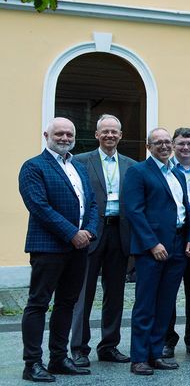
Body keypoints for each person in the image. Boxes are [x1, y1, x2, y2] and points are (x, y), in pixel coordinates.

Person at [19, 117, 98, 382]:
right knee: (38, 303)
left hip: (79, 248)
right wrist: (71, 233)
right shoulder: (33, 166)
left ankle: (58, 358)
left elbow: (93, 203)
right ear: (46, 135)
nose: (65, 138)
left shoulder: (78, 167)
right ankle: (32, 363)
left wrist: (89, 231)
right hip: (48, 247)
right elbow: (39, 206)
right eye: (59, 134)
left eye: (69, 134)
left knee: (67, 303)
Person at [123, 128, 190, 375]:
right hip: (152, 249)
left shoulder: (177, 174)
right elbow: (133, 211)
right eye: (158, 142)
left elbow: (185, 210)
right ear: (148, 146)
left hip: (176, 246)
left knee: (165, 304)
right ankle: (139, 358)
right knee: (145, 304)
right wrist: (152, 243)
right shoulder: (138, 172)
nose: (164, 146)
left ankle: (156, 352)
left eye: (167, 142)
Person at [71, 114, 137, 366]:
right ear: (97, 135)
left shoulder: (131, 165)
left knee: (115, 294)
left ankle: (109, 345)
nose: (110, 135)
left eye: (115, 132)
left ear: (121, 135)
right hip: (91, 233)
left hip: (119, 233)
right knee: (83, 293)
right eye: (105, 131)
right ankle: (78, 348)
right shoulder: (80, 161)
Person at [164, 127, 190, 358]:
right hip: (173, 238)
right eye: (181, 144)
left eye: (189, 144)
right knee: (168, 293)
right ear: (173, 145)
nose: (185, 148)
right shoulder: (166, 170)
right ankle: (168, 340)